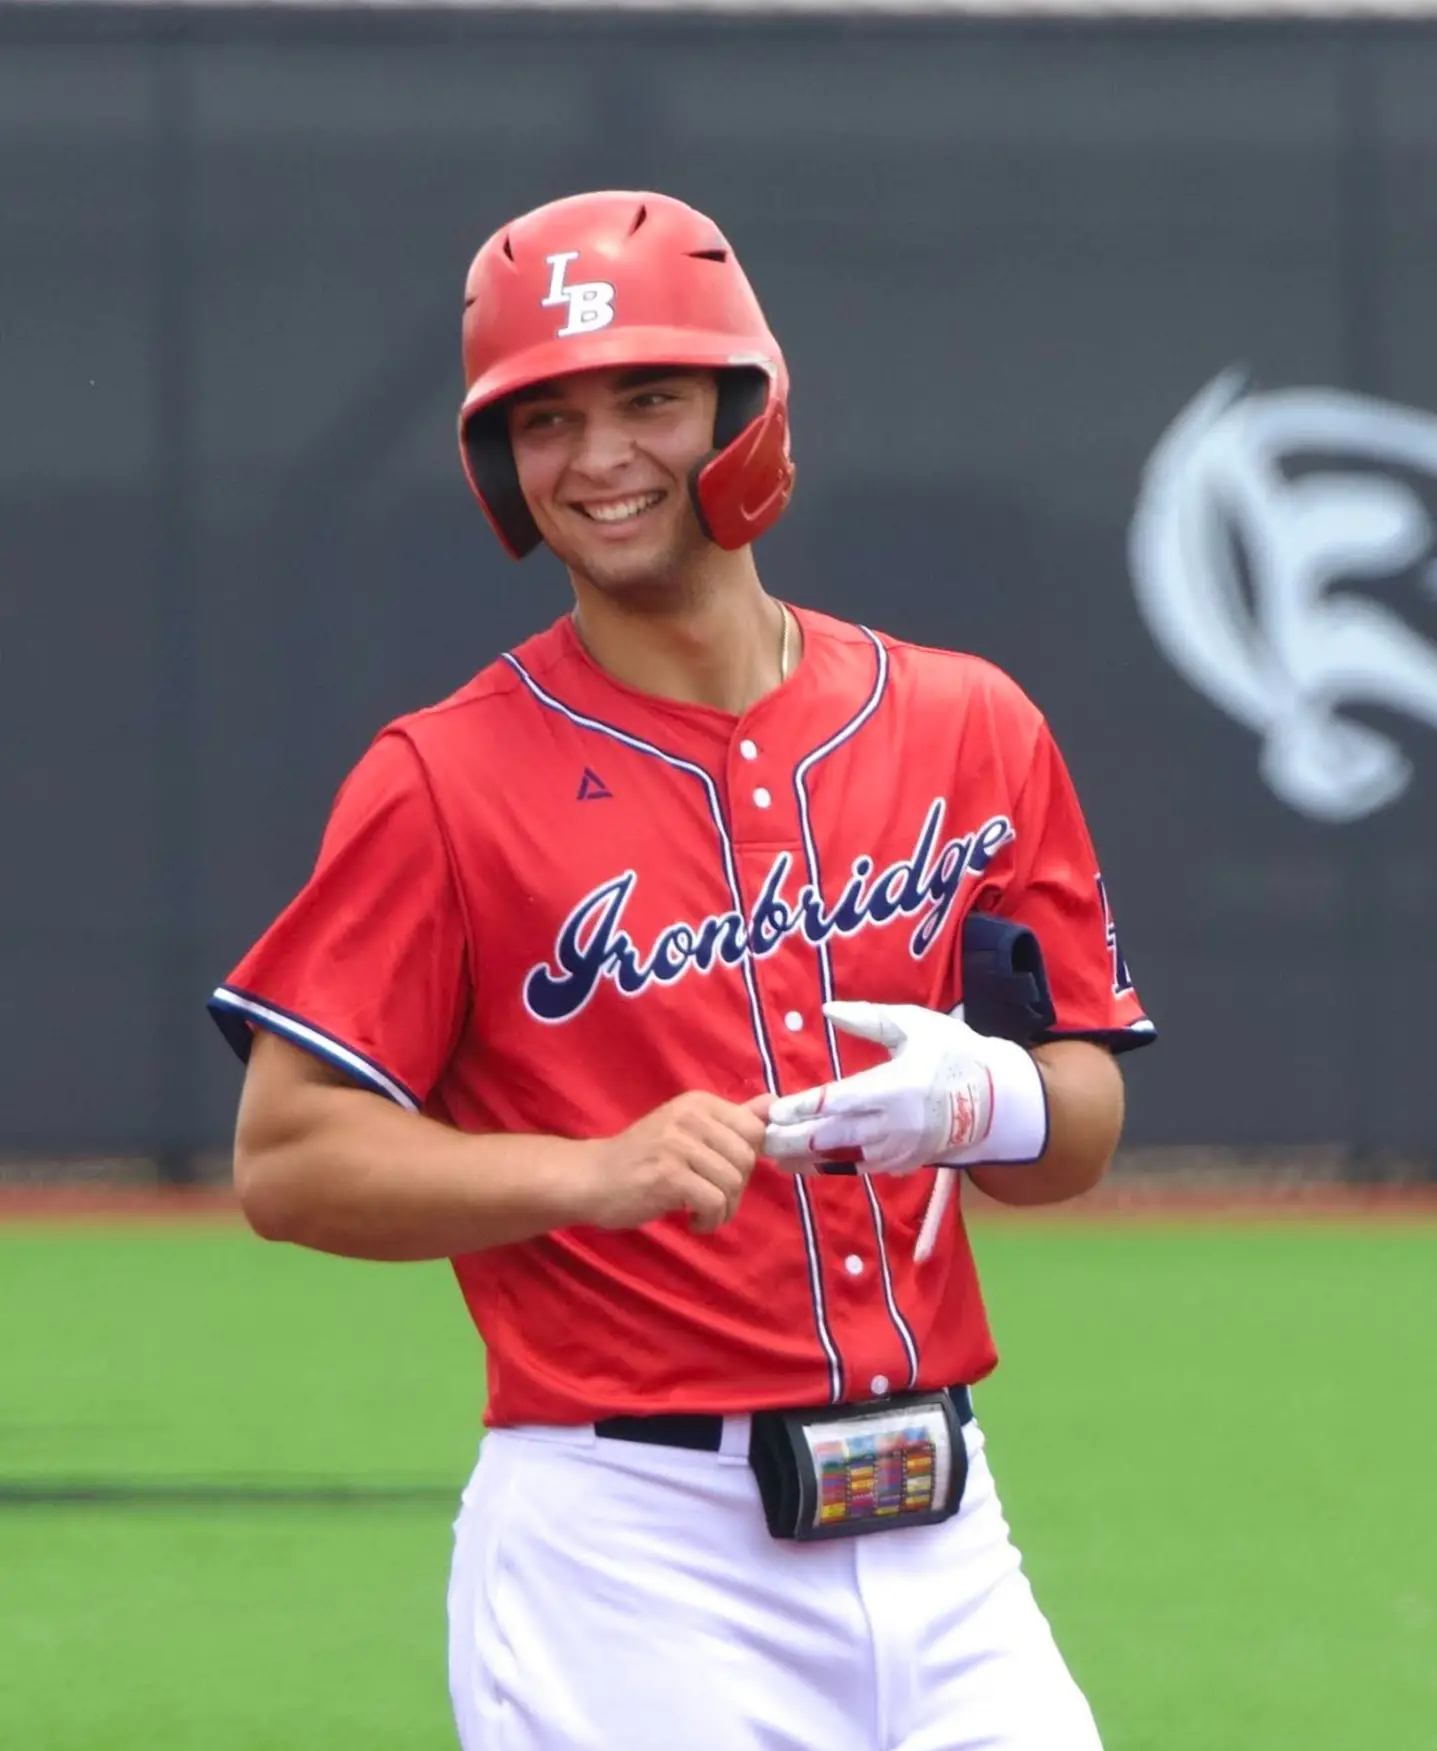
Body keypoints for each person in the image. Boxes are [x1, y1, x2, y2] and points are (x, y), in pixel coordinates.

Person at [211, 189, 1155, 1751]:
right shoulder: (443, 778)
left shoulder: (968, 724)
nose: (598, 457)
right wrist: (593, 1173)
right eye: (546, 417)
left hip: (945, 1531)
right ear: (497, 463)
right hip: (631, 1550)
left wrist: (978, 1099)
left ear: (746, 411)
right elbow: (287, 1155)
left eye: (648, 397)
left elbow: (1078, 1135)